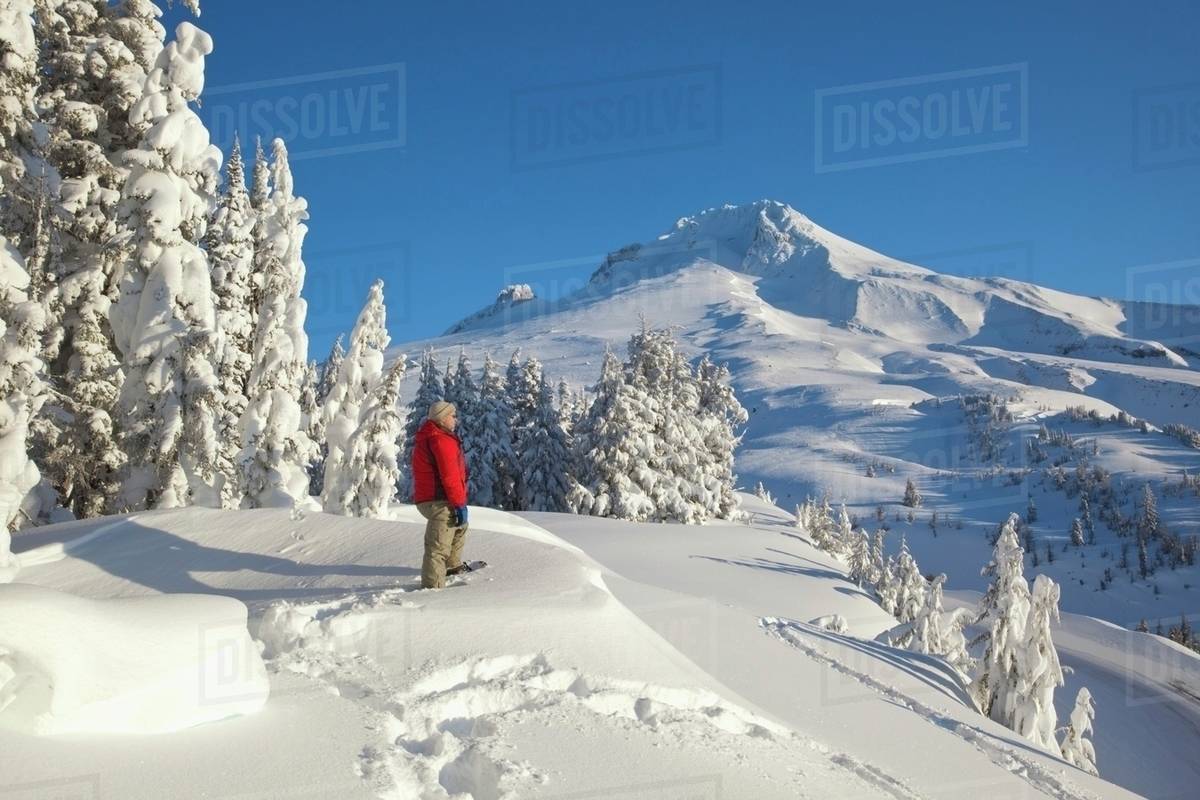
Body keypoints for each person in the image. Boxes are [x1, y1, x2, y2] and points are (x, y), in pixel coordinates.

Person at [412, 400, 471, 589]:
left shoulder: (436, 436)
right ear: (443, 418)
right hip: (438, 500)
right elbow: (450, 476)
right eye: (452, 416)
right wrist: (459, 503)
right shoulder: (440, 440)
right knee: (438, 546)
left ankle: (452, 566)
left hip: (436, 498)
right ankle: (433, 588)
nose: (455, 420)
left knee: (460, 526)